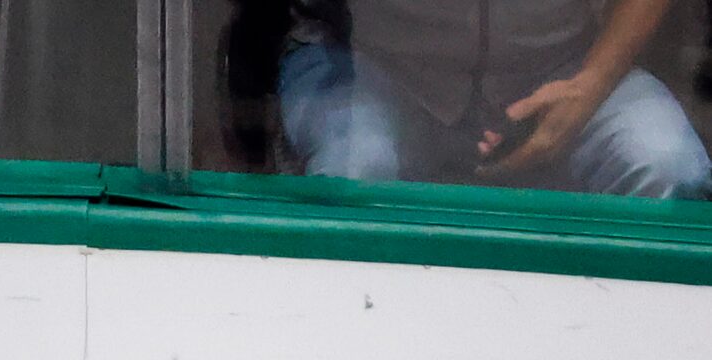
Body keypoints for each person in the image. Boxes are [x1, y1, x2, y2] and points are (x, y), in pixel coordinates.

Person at [275, 0, 710, 196]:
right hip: (373, 65)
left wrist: (589, 83)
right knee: (354, 174)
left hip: (561, 66)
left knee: (669, 168)